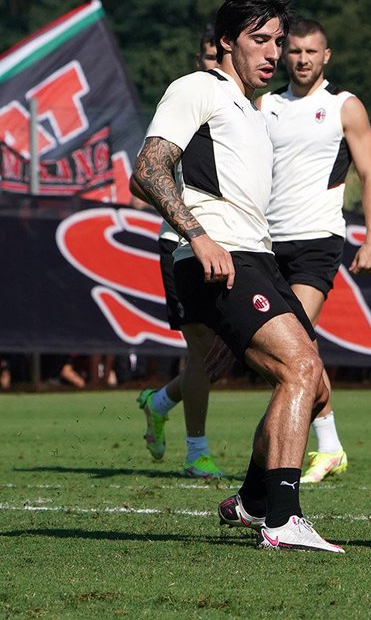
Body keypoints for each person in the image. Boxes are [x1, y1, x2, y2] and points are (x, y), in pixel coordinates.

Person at [131, 0, 342, 552]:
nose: (273, 53)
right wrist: (196, 235)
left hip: (258, 255)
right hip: (219, 254)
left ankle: (252, 499)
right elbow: (147, 169)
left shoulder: (253, 110)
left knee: (312, 382)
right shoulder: (198, 87)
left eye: (279, 41)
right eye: (260, 40)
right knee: (299, 367)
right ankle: (282, 519)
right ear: (226, 42)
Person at [257, 18, 371, 484]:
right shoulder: (264, 104)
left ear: (325, 55)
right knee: (296, 351)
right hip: (265, 243)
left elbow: (370, 175)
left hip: (317, 240)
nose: (303, 59)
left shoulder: (343, 107)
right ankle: (329, 445)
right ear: (282, 54)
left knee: (296, 345)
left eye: (312, 51)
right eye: (294, 51)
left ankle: (314, 449)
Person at [134, 25, 224, 479]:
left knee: (224, 351)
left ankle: (161, 400)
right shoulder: (186, 103)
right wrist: (189, 226)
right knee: (203, 349)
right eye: (208, 55)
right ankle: (197, 452)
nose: (214, 63)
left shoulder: (243, 109)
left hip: (235, 244)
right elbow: (144, 175)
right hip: (182, 245)